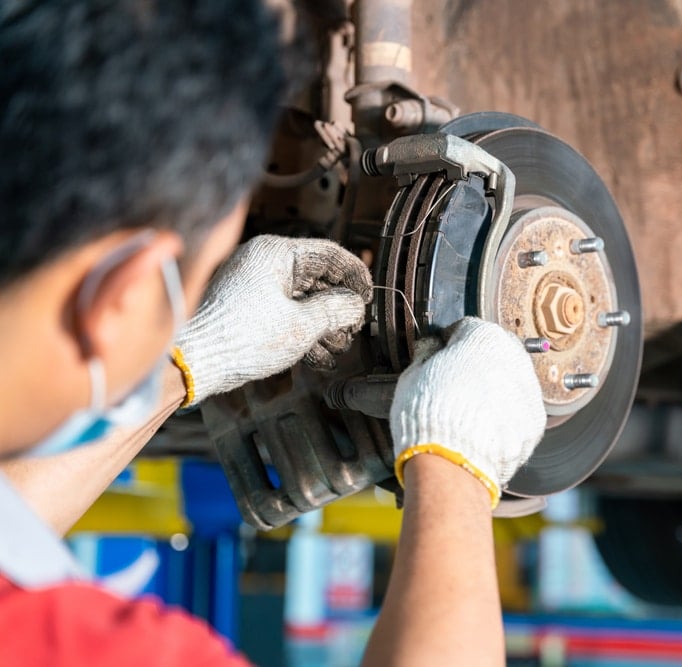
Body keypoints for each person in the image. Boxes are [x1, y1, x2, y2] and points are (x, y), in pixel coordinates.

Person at [0, 1, 546, 666]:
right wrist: (455, 468)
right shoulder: (85, 647)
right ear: (124, 291)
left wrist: (192, 355)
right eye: (189, 287)